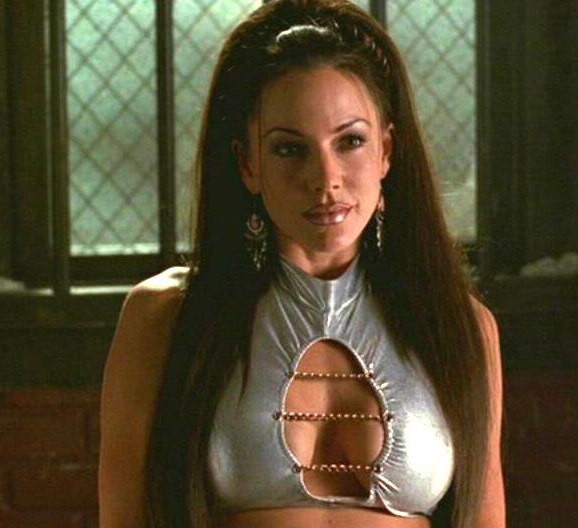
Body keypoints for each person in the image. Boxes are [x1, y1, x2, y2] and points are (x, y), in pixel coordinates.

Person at [97, 1, 505, 527]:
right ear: (248, 163)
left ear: (386, 151)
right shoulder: (166, 317)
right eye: (290, 150)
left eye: (350, 142)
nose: (325, 178)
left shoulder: (461, 326)